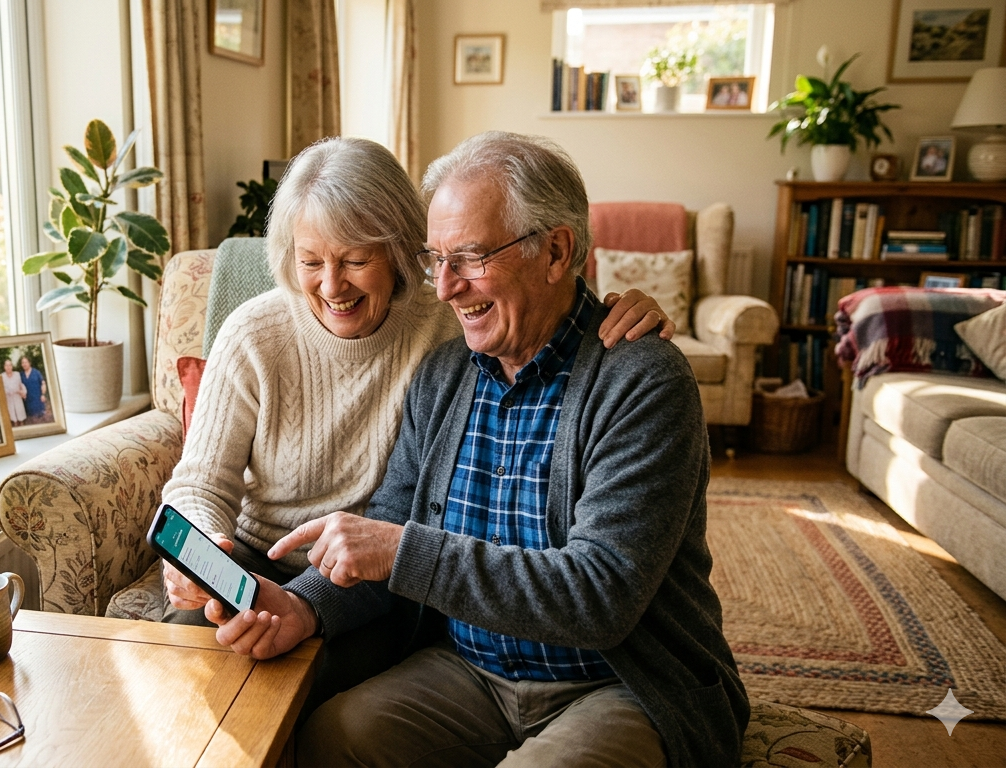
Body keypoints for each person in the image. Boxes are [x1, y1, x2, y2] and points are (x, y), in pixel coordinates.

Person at [207, 132, 749, 767]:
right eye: (435, 259)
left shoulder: (641, 380)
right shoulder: (444, 374)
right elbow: (384, 531)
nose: (443, 288)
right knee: (332, 740)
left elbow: (600, 596)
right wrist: (303, 606)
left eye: (467, 257)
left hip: (617, 682)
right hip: (470, 671)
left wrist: (403, 551)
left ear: (557, 251)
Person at [19, 355, 48, 421]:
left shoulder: (36, 372)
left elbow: (43, 383)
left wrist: (43, 395)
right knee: (31, 419)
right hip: (28, 401)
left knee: (40, 419)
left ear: (29, 363)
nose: (24, 364)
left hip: (38, 399)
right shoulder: (21, 375)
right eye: (22, 363)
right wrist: (21, 394)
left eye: (26, 362)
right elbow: (19, 387)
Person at [2, 358, 28, 426]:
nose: (8, 367)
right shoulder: (2, 376)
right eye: (6, 365)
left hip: (17, 397)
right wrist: (11, 391)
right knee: (13, 418)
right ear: (4, 367)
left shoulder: (17, 374)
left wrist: (23, 392)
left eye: (10, 365)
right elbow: (2, 388)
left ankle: (22, 426)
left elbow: (21, 385)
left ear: (12, 366)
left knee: (20, 416)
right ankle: (15, 425)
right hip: (9, 398)